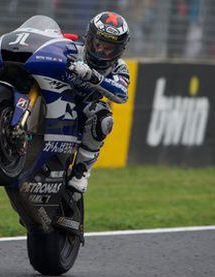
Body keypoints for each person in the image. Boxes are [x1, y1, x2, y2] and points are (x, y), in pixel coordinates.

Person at [66, 11, 130, 193]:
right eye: (98, 43)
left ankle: (81, 171)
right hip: (55, 97)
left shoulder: (119, 67)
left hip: (82, 110)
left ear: (119, 49)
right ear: (89, 38)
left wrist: (93, 77)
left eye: (108, 47)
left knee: (104, 118)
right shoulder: (72, 48)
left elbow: (121, 94)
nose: (101, 50)